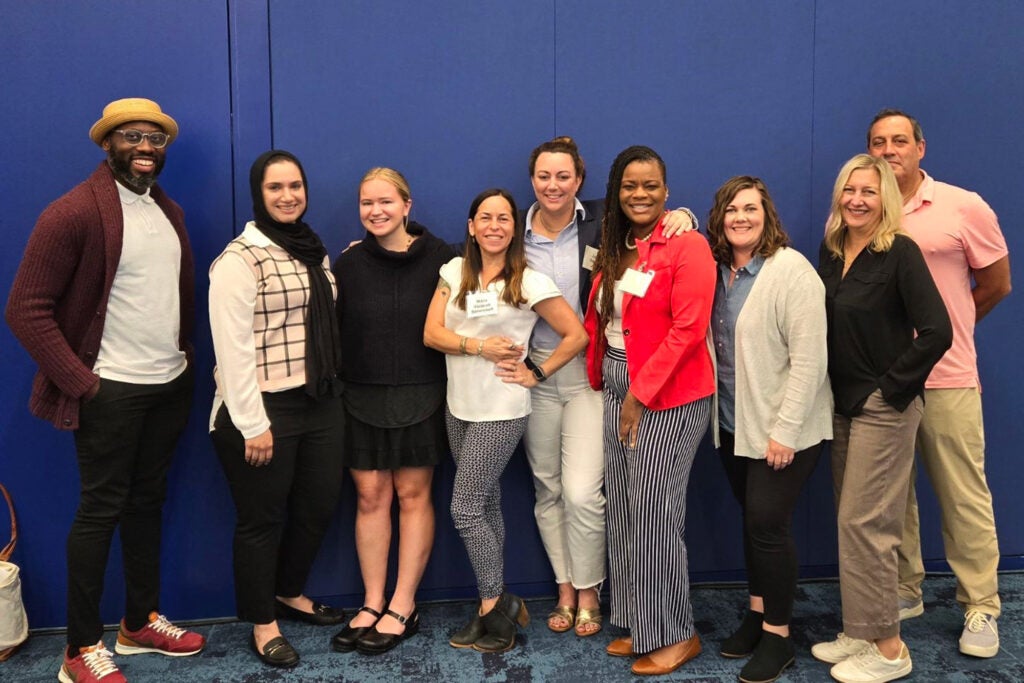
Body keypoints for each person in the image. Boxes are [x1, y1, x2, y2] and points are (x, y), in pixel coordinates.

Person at [5, 98, 205, 683]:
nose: (146, 148)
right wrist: (83, 384)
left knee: (147, 505)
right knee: (99, 512)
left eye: (156, 140)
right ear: (106, 145)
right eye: (132, 138)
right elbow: (25, 309)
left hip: (167, 386)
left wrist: (182, 364)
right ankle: (79, 650)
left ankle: (138, 623)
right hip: (110, 391)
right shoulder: (71, 212)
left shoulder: (168, 212)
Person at [520, 137, 696, 637]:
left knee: (580, 491)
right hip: (532, 373)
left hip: (587, 372)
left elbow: (655, 214)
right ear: (532, 180)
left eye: (563, 176)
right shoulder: (512, 229)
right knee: (547, 488)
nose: (553, 185)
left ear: (579, 180)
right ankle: (566, 590)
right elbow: (466, 248)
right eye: (543, 176)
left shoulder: (603, 219)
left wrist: (684, 215)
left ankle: (592, 590)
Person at [866, 109, 1011, 657]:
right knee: (891, 497)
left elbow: (997, 282)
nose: (889, 150)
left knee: (962, 493)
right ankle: (904, 590)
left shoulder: (961, 205)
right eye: (878, 142)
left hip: (947, 376)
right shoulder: (859, 206)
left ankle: (981, 605)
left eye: (899, 140)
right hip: (883, 382)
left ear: (920, 148)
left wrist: (943, 334)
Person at [424, 188, 588, 653]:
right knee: (487, 504)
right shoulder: (453, 271)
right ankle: (496, 603)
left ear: (514, 229)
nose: (494, 225)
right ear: (471, 226)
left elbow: (576, 335)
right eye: (485, 217)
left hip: (502, 409)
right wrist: (479, 346)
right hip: (459, 406)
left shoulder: (529, 281)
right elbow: (431, 333)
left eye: (504, 218)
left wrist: (536, 371)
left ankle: (494, 606)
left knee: (465, 508)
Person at [811, 155, 952, 683]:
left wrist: (890, 391)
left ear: (885, 199)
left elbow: (938, 330)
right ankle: (861, 628)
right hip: (842, 406)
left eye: (869, 191)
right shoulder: (830, 253)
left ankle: (890, 649)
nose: (857, 200)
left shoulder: (900, 253)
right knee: (852, 521)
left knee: (866, 524)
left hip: (883, 409)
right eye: (850, 189)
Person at [209, 150, 346, 669]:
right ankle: (263, 621)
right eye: (275, 188)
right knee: (261, 520)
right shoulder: (239, 260)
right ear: (258, 195)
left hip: (318, 402)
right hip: (261, 410)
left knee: (317, 507)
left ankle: (289, 592)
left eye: (295, 186)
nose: (287, 195)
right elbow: (233, 347)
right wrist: (252, 422)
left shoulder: (314, 251)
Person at [584, 145, 716, 676]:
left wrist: (639, 394)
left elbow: (688, 330)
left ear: (666, 190)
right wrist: (612, 382)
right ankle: (643, 622)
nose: (640, 195)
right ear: (616, 192)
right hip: (620, 382)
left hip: (667, 394)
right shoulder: (618, 246)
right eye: (629, 186)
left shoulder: (689, 246)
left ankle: (677, 634)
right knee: (624, 508)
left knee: (657, 514)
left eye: (651, 186)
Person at [706, 176, 833, 683]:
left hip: (787, 430)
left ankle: (778, 637)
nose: (741, 217)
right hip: (735, 424)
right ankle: (758, 614)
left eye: (751, 209)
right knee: (751, 523)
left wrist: (784, 430)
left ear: (768, 215)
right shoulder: (719, 272)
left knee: (767, 525)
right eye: (732, 209)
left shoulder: (792, 271)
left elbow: (809, 361)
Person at [330, 168, 454, 655]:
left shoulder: (444, 259)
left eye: (385, 201)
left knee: (412, 493)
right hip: (360, 395)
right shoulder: (348, 264)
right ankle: (371, 601)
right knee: (369, 495)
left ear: (407, 205)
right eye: (366, 203)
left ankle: (404, 604)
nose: (375, 211)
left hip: (422, 393)